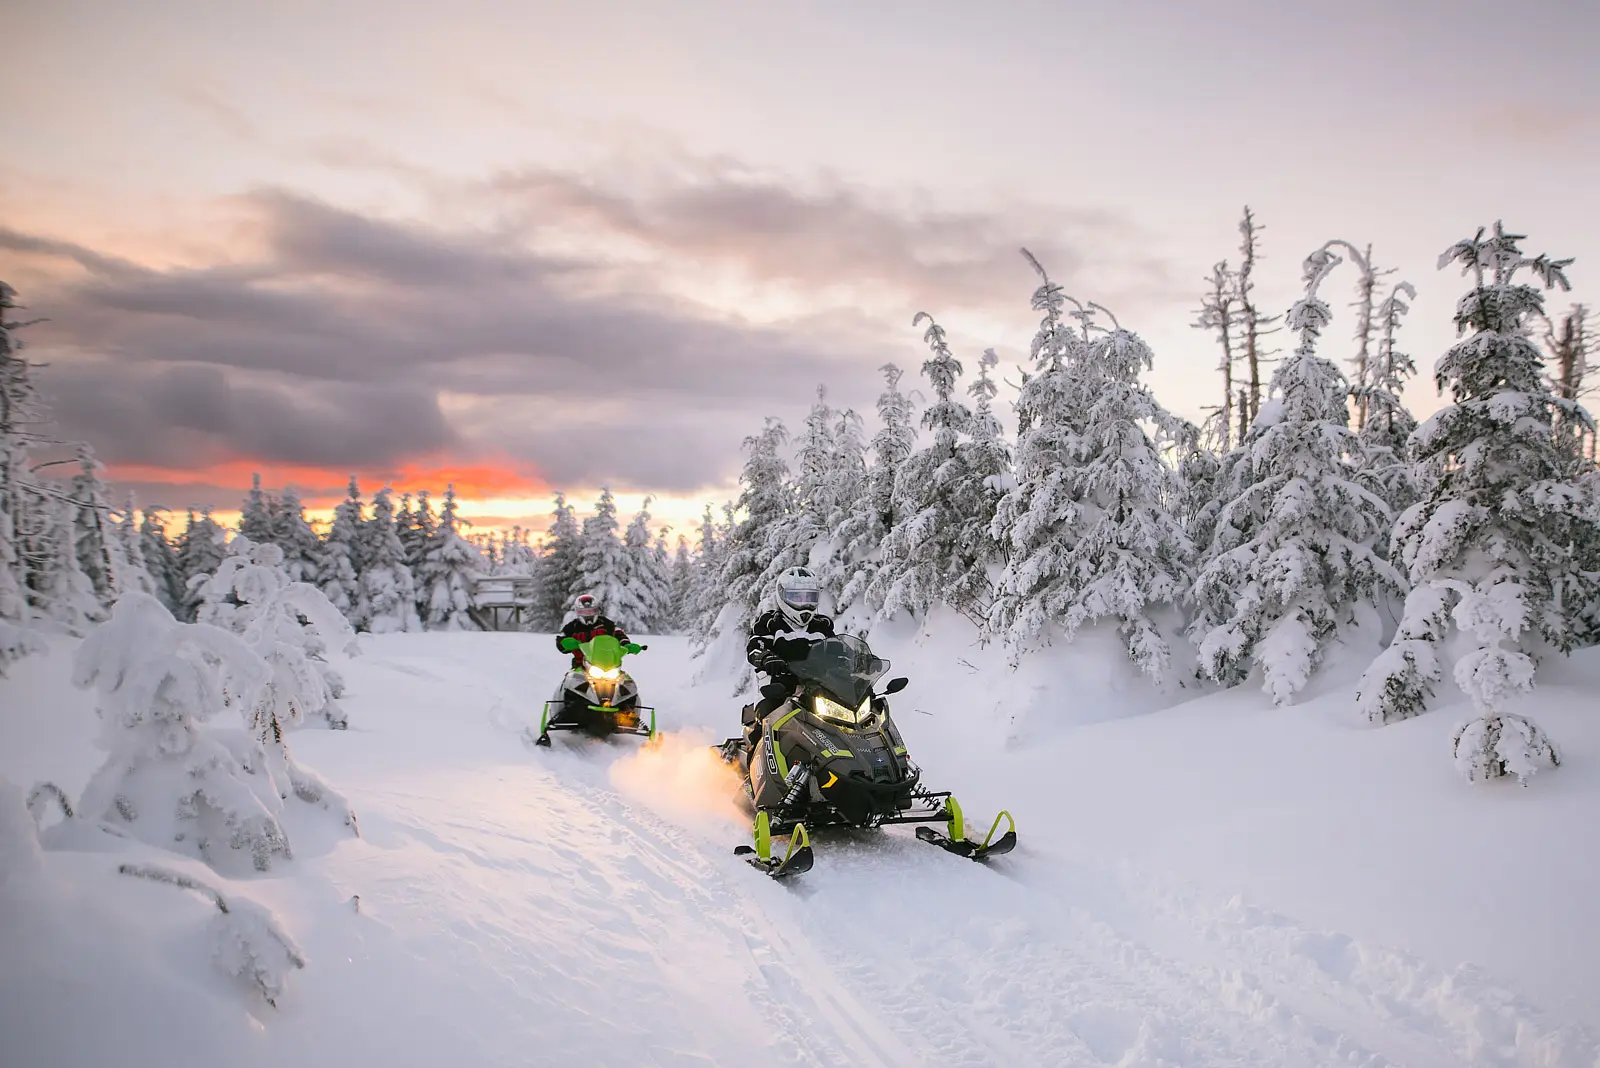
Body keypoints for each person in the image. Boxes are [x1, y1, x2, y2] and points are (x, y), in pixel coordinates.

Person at [744, 567, 835, 729]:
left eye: (810, 597)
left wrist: (858, 662)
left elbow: (837, 651)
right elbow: (755, 647)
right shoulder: (770, 622)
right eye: (796, 596)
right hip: (779, 688)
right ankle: (755, 750)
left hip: (817, 690)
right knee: (767, 720)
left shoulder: (822, 626)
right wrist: (765, 657)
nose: (804, 603)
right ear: (782, 595)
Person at [557, 593, 630, 670]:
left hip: (608, 664)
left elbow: (618, 632)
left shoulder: (605, 623)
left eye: (590, 611)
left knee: (626, 680)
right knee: (571, 680)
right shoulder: (572, 626)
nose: (588, 615)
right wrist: (564, 643)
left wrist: (626, 643)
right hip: (580, 665)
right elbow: (561, 638)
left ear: (597, 610)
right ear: (578, 612)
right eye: (584, 612)